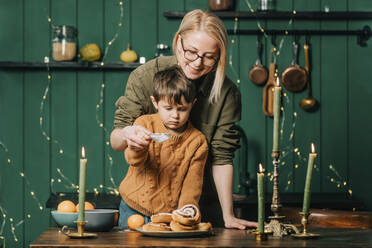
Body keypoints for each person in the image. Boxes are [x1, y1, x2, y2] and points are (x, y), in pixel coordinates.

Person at [111, 9, 257, 229]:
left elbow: (222, 157)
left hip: (198, 206)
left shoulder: (226, 92)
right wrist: (127, 134)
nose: (198, 63)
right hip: (144, 202)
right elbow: (116, 140)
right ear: (178, 41)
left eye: (209, 57)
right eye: (191, 52)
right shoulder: (145, 77)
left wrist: (228, 215)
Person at [118, 65, 208, 228]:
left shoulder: (197, 141)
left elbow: (192, 185)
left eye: (182, 109)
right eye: (168, 108)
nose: (175, 115)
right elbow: (133, 161)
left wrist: (187, 210)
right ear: (155, 102)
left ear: (192, 105)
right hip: (132, 207)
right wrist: (139, 147)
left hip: (168, 215)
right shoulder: (144, 123)